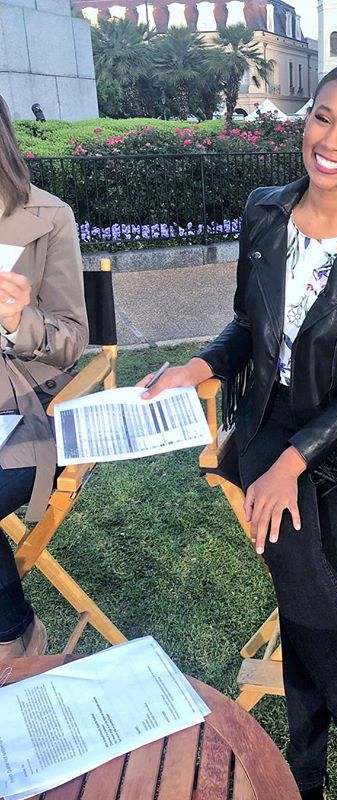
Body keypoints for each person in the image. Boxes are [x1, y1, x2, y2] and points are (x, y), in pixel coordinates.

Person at [139, 62, 337, 800]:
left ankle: (308, 776)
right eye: (322, 117)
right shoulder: (264, 211)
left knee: (303, 577)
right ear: (306, 120)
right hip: (268, 418)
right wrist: (200, 367)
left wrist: (294, 463)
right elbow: (247, 324)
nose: (331, 140)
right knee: (304, 565)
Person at [0, 96, 88, 662]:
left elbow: (73, 339)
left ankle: (15, 639)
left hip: (27, 415)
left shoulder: (46, 218)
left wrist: (17, 321)